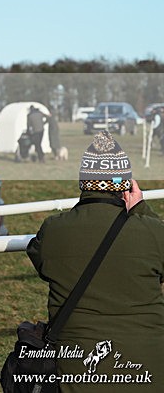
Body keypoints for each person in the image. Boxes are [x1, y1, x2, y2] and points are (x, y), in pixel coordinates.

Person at [27, 131, 164, 392]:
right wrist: (141, 209)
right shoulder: (153, 231)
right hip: (148, 369)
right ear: (126, 186)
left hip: (79, 370)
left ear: (83, 183)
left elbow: (40, 260)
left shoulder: (53, 229)